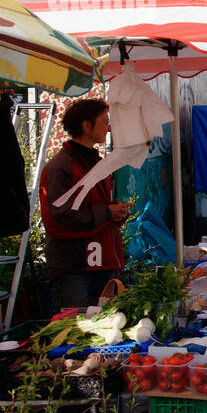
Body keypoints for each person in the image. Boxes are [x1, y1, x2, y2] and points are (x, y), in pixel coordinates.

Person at [39, 98, 129, 309]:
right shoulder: (61, 166)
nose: (109, 128)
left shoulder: (96, 162)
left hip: (101, 261)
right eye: (104, 122)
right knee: (77, 327)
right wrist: (106, 212)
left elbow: (95, 205)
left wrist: (116, 211)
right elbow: (60, 214)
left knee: (105, 325)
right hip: (75, 265)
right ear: (86, 126)